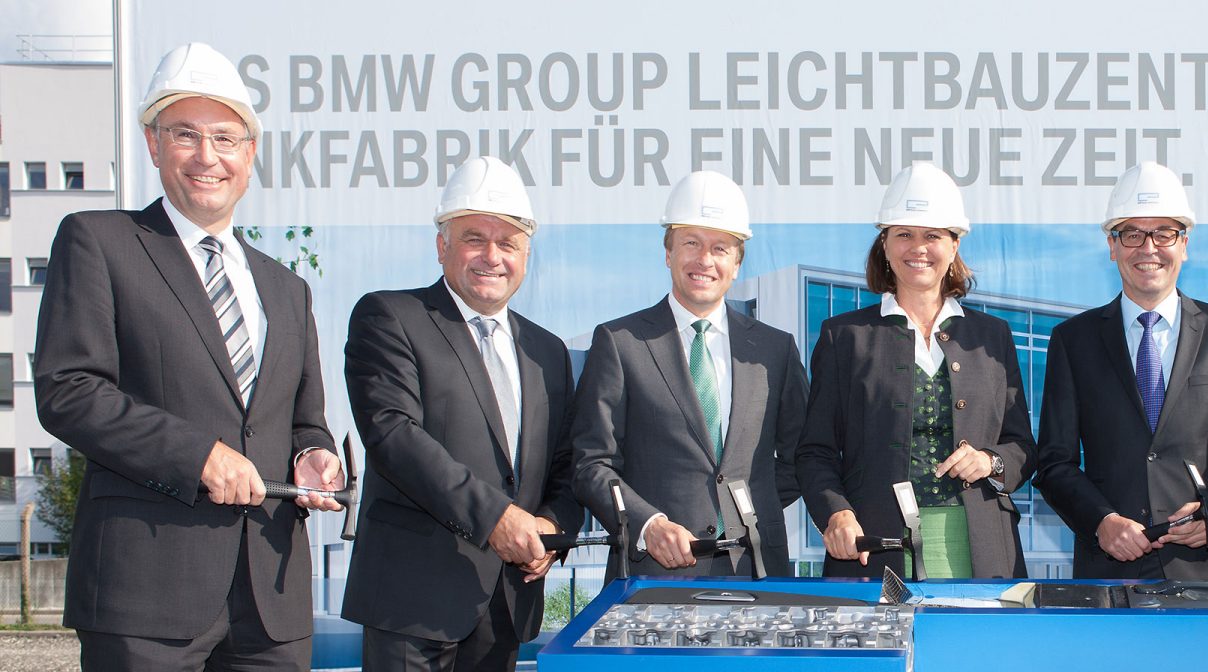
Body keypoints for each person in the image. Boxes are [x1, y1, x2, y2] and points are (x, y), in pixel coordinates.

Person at [33, 42, 344, 670]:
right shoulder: (99, 241)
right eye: (185, 135)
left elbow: (303, 420)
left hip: (271, 598)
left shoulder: (287, 288)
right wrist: (197, 454)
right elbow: (68, 389)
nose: (208, 157)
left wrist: (313, 458)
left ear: (250, 154)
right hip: (145, 595)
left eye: (226, 139)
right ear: (153, 144)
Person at [339, 156, 581, 670]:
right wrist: (496, 518)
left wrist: (551, 526)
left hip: (506, 605)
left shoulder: (548, 351)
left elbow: (567, 464)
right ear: (442, 245)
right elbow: (393, 436)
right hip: (413, 604)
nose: (491, 256)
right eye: (475, 238)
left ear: (526, 255)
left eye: (508, 243)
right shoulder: (390, 317)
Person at [1032, 162, 1208, 579]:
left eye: (1164, 233)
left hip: (1206, 572)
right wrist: (1100, 521)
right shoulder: (1074, 340)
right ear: (1112, 246)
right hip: (1110, 568)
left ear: (1184, 244)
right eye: (1132, 234)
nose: (1148, 248)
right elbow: (1055, 463)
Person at [798, 162, 1035, 579]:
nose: (918, 247)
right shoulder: (845, 336)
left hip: (980, 544)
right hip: (873, 546)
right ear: (885, 245)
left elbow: (1021, 446)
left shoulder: (992, 336)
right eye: (904, 234)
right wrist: (836, 515)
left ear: (955, 244)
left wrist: (990, 461)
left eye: (932, 235)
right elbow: (815, 450)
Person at [571, 171, 806, 578]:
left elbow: (801, 456)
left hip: (757, 569)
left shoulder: (775, 350)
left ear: (737, 263)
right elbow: (592, 463)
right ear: (668, 252)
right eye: (691, 243)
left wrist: (742, 510)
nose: (704, 260)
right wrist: (648, 525)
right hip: (654, 573)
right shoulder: (620, 342)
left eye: (720, 248)